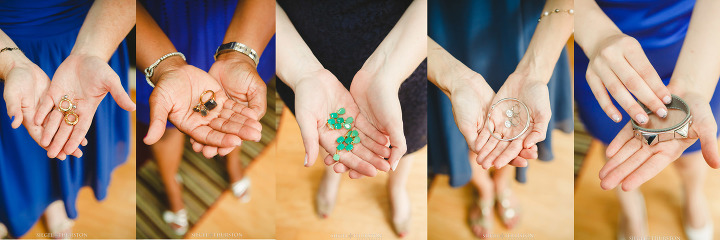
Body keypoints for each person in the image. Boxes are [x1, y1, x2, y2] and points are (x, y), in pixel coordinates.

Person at [276, 0, 427, 237]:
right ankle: (332, 173)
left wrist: (387, 73)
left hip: (405, 49)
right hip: (307, 45)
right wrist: (303, 72)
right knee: (325, 126)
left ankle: (397, 186)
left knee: (404, 134)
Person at [574, 0, 720, 238]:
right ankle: (631, 211)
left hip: (696, 44)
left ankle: (693, 195)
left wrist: (695, 85)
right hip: (600, 53)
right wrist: (597, 35)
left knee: (692, 153)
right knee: (615, 150)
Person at [427, 0, 573, 238]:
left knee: (514, 138)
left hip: (530, 28)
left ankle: (501, 185)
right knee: (470, 129)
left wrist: (533, 73)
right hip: (449, 27)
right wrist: (454, 78)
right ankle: (484, 190)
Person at [136, 0, 274, 235]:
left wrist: (239, 57)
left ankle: (233, 164)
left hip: (237, 23)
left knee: (236, 108)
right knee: (165, 124)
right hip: (157, 30)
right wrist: (166, 67)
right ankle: (172, 189)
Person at [0, 0, 134, 237]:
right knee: (18, 148)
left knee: (61, 140)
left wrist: (91, 52)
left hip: (93, 36)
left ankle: (55, 199)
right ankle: (24, 204)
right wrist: (10, 63)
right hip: (7, 46)